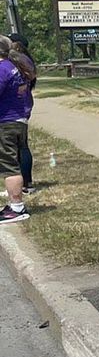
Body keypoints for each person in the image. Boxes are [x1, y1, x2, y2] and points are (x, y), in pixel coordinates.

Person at [0, 37, 34, 224]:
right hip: (18, 119)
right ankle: (14, 205)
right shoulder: (16, 66)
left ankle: (17, 208)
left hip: (6, 122)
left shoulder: (2, 69)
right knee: (12, 161)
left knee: (9, 165)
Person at [7, 34, 35, 192]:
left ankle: (22, 183)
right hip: (23, 106)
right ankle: (25, 183)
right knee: (21, 145)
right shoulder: (26, 62)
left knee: (19, 147)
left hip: (16, 108)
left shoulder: (17, 62)